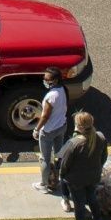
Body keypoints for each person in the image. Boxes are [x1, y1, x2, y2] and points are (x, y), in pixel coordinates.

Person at [56, 112, 111, 220]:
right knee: (92, 198)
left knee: (79, 204)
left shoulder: (74, 143)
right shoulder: (100, 137)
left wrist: (63, 175)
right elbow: (104, 157)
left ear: (79, 127)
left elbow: (65, 164)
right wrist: (98, 167)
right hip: (93, 176)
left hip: (76, 180)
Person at [33, 67, 69, 198]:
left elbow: (45, 116)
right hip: (61, 126)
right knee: (59, 155)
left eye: (47, 79)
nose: (44, 81)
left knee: (45, 159)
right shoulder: (63, 90)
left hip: (48, 131)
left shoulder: (51, 96)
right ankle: (57, 179)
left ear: (55, 80)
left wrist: (37, 129)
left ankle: (44, 184)